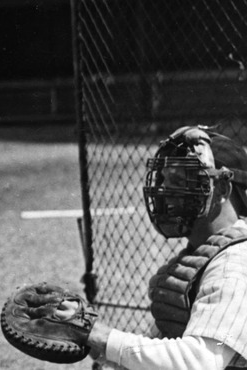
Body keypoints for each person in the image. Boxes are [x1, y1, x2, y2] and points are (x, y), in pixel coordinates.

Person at [85, 125, 247, 369]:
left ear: (222, 189)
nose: (162, 190)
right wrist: (93, 342)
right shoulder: (203, 255)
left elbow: (200, 361)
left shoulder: (234, 264)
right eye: (164, 179)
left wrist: (102, 337)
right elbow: (163, 353)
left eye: (180, 180)